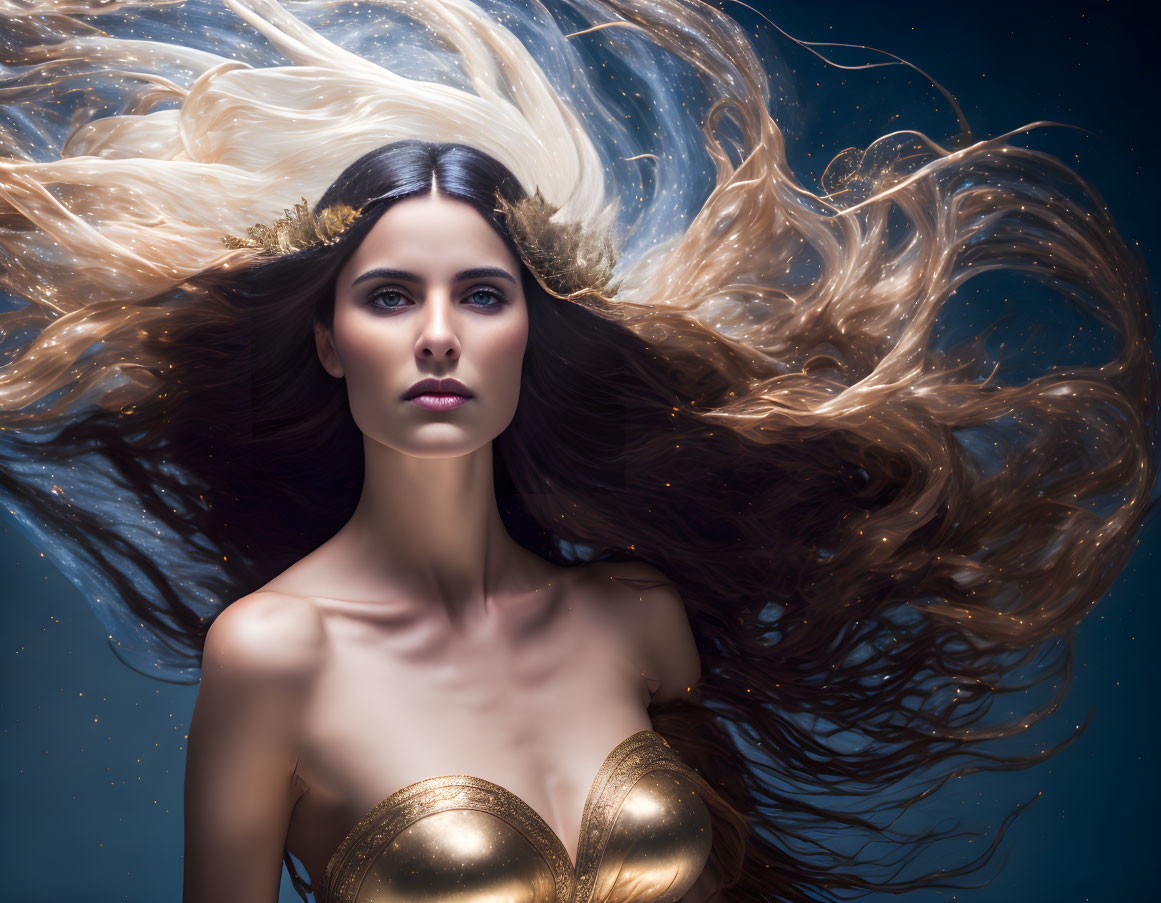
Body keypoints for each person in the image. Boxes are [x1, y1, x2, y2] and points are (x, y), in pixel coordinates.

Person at [0, 2, 1155, 902]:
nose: (440, 336)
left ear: (530, 336)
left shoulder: (634, 619)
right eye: (392, 297)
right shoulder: (273, 657)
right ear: (328, 341)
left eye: (485, 296)